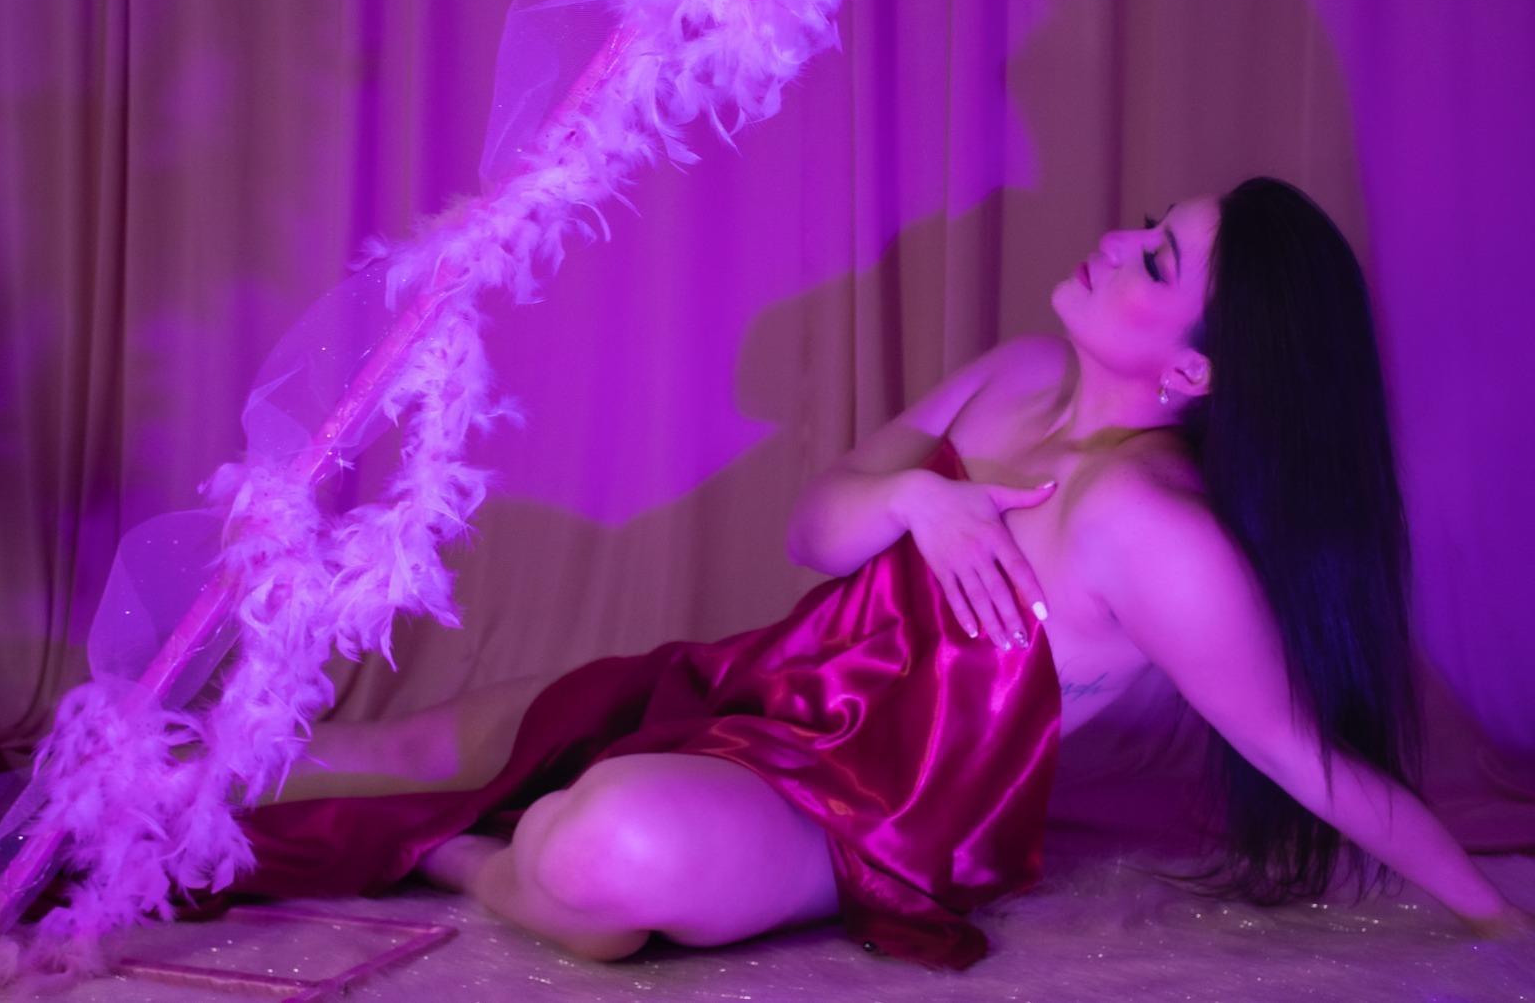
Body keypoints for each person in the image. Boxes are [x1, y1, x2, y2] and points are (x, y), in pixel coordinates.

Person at [233, 176, 1529, 969]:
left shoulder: (1153, 529)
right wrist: (917, 496)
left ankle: (459, 858)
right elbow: (816, 529)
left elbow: (1307, 758)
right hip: (757, 688)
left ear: (1192, 369)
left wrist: (1494, 918)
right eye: (1147, 224)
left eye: (1156, 260)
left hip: (856, 820)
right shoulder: (1020, 375)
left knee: (603, 848)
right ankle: (150, 778)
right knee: (413, 741)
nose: (1113, 239)